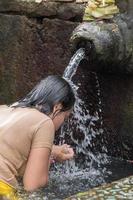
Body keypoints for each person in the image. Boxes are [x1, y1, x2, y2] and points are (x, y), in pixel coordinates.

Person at [0, 75, 75, 199]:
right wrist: (49, 157)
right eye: (65, 117)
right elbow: (32, 185)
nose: (63, 123)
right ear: (57, 107)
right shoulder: (45, 122)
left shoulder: (4, 109)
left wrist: (52, 150)